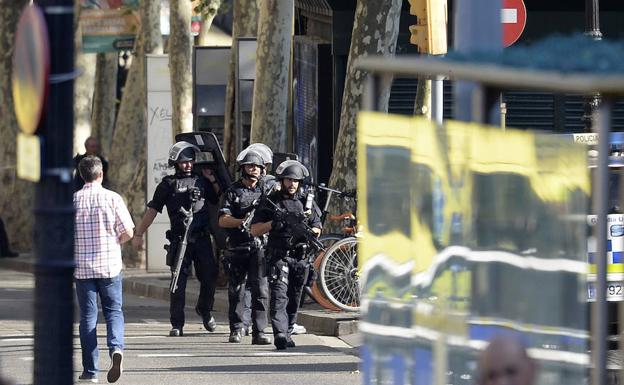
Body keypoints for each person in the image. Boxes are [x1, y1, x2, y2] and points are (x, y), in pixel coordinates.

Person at [132, 141, 221, 337]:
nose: (188, 165)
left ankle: (204, 309)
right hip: (180, 241)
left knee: (210, 276)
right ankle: (177, 324)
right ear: (176, 163)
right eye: (183, 162)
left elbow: (218, 200)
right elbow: (152, 211)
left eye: (190, 161)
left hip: (202, 239)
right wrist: (138, 234)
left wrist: (212, 179)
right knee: (177, 283)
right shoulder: (168, 184)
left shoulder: (202, 181)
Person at [74, 156, 134, 383]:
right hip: (109, 266)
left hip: (82, 269)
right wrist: (114, 241)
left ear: (81, 175)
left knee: (88, 318)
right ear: (101, 174)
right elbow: (128, 231)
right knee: (114, 312)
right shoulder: (113, 198)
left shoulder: (73, 200)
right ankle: (116, 349)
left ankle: (90, 371)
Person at [250, 160, 322, 350]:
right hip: (279, 255)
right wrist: (273, 224)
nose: (292, 184)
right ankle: (279, 334)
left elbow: (317, 226)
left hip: (300, 256)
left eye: (296, 180)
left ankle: (288, 331)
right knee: (279, 295)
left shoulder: (307, 201)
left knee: (295, 295)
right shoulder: (271, 201)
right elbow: (254, 230)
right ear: (282, 180)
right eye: (288, 180)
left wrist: (309, 231)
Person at [218, 149, 273, 345]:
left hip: (260, 248)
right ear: (243, 169)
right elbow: (223, 220)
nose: (254, 169)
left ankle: (259, 331)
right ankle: (237, 328)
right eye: (250, 166)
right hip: (238, 246)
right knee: (237, 290)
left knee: (261, 290)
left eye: (257, 166)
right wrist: (240, 221)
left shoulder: (266, 192)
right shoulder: (232, 192)